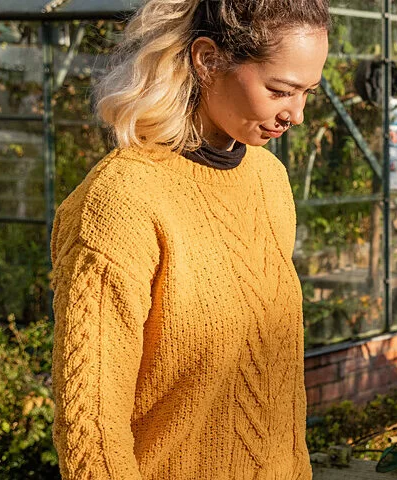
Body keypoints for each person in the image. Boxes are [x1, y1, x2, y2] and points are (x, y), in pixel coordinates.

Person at [49, 0, 329, 477]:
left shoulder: (269, 180)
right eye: (281, 90)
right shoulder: (119, 202)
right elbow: (92, 431)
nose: (296, 114)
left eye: (308, 92)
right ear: (207, 59)